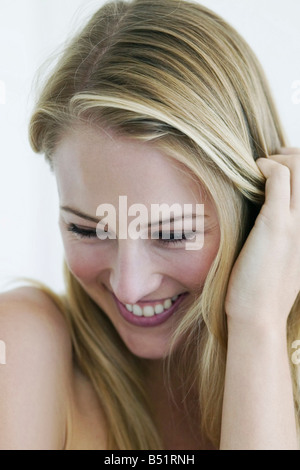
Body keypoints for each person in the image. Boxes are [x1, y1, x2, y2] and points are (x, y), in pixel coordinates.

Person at [0, 0, 299, 450]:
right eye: (87, 230)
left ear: (257, 210)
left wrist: (257, 324)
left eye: (173, 234)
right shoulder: (22, 344)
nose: (128, 286)